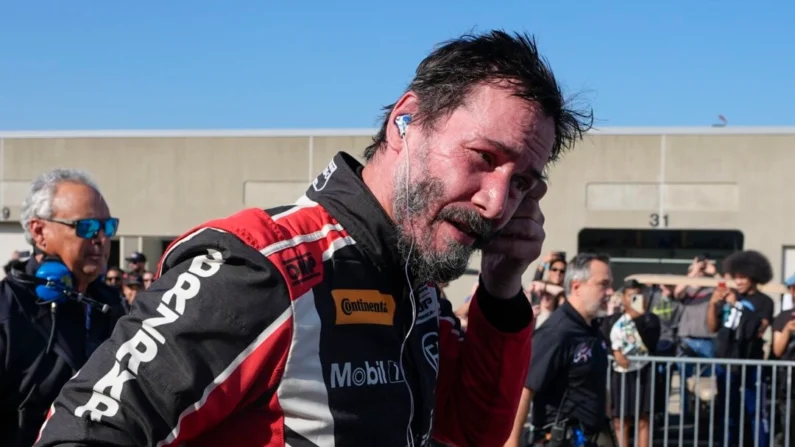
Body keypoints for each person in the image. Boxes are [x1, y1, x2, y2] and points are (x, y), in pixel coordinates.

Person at [35, 30, 592, 447]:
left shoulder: (416, 285)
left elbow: (471, 434)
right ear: (406, 122)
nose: (497, 202)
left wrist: (501, 286)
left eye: (521, 181)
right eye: (484, 158)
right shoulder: (263, 264)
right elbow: (79, 433)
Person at [0, 169, 125, 447]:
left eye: (108, 227)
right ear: (39, 231)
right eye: (87, 227)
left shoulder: (114, 306)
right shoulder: (7, 310)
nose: (101, 239)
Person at [505, 253, 615, 447]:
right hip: (562, 439)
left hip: (592, 438)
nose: (610, 291)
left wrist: (608, 430)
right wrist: (511, 442)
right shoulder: (557, 332)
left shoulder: (592, 329)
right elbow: (523, 388)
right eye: (603, 284)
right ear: (577, 287)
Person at [707, 250, 775, 447]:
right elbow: (712, 327)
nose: (739, 282)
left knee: (755, 411)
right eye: (736, 277)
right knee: (727, 412)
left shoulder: (765, 302)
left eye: (743, 277)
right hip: (726, 363)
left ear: (753, 277)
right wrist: (713, 304)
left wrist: (737, 306)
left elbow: (759, 328)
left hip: (751, 363)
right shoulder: (726, 298)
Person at [605, 280, 660, 447]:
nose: (634, 299)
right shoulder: (614, 319)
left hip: (644, 373)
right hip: (620, 373)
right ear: (623, 298)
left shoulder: (651, 319)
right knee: (620, 420)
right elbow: (604, 339)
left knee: (643, 419)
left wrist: (641, 316)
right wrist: (615, 352)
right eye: (631, 296)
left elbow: (651, 341)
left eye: (638, 295)